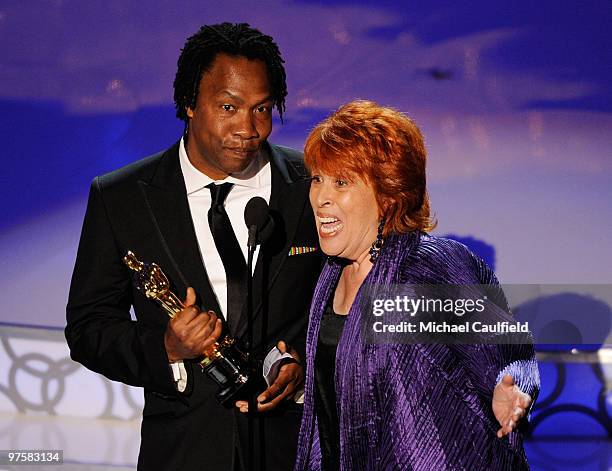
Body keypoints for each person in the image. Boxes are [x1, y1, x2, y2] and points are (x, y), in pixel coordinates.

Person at [65, 23, 321, 471]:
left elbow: (348, 305)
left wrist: (303, 362)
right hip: (183, 450)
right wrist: (166, 347)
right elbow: (89, 329)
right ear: (188, 104)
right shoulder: (122, 197)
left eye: (261, 109)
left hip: (293, 448)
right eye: (229, 107)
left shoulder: (310, 186)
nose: (248, 128)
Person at [293, 100, 540, 470]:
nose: (321, 197)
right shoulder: (331, 274)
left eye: (341, 182)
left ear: (388, 193)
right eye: (318, 179)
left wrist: (509, 390)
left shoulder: (427, 268)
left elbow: (506, 356)